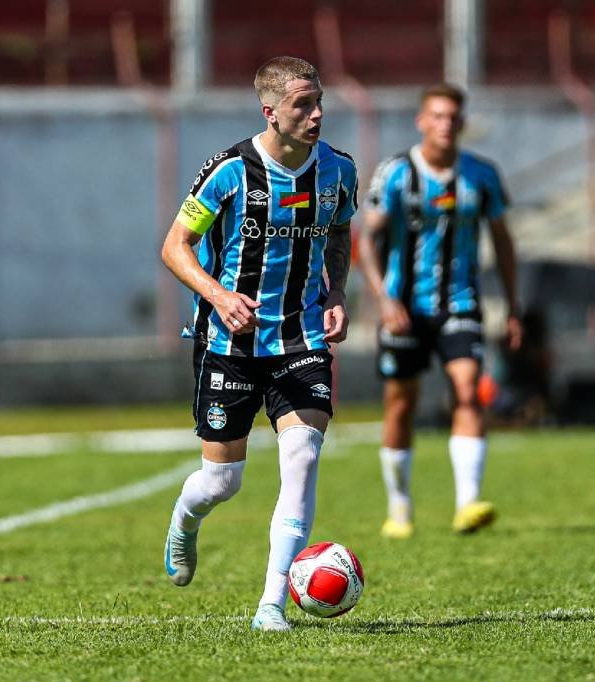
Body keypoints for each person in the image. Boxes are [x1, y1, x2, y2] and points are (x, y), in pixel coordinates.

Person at [159, 56, 357, 632]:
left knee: (303, 455)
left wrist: (336, 291)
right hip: (230, 341)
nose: (317, 113)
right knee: (223, 481)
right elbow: (175, 248)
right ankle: (185, 521)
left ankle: (270, 603)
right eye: (303, 104)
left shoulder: (339, 171)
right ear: (270, 111)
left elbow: (340, 228)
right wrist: (219, 296)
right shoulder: (228, 170)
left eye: (319, 101)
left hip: (301, 338)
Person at [357, 83, 521, 540]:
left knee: (468, 390)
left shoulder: (481, 176)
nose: (445, 125)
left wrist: (512, 305)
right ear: (421, 121)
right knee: (401, 402)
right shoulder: (394, 173)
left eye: (453, 117)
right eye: (437, 116)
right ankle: (399, 506)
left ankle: (467, 503)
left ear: (462, 124)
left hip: (460, 302)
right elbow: (366, 239)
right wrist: (384, 300)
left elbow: (503, 241)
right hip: (403, 308)